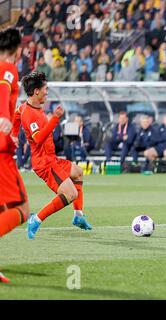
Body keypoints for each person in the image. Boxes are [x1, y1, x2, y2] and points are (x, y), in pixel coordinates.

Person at [17, 72, 93, 240]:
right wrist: (55, 119)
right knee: (70, 194)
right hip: (44, 163)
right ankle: (35, 219)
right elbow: (37, 139)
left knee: (78, 172)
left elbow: (16, 113)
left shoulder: (27, 107)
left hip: (51, 158)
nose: (47, 92)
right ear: (36, 91)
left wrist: (14, 135)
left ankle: (78, 215)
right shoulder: (30, 114)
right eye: (45, 89)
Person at [0, 28, 30, 283]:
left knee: (2, 208)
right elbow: (4, 88)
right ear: (17, 50)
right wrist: (6, 119)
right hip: (1, 151)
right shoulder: (8, 67)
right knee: (22, 208)